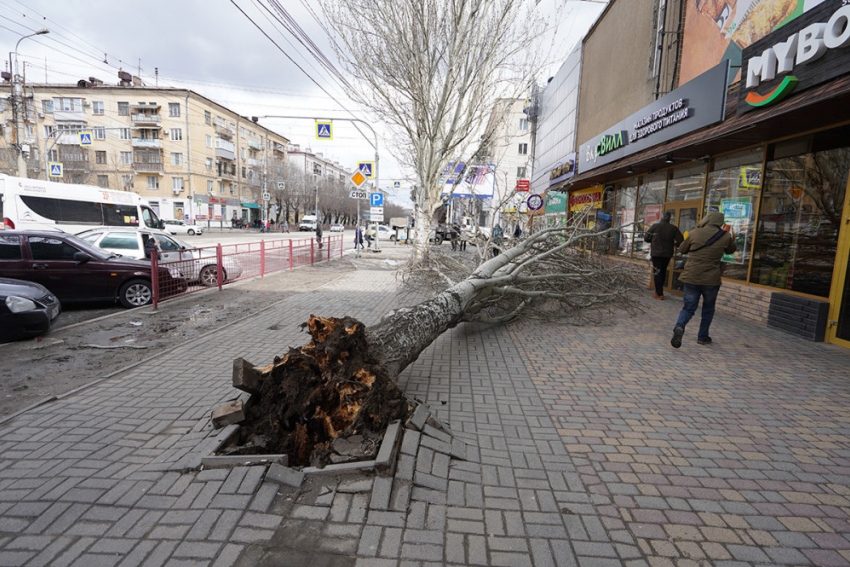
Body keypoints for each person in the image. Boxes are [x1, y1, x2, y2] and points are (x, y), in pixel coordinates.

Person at [670, 211, 736, 348]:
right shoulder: (725, 236)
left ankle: (680, 326)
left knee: (688, 308)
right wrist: (731, 238)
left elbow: (682, 249)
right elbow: (731, 251)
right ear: (720, 222)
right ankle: (702, 336)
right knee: (708, 309)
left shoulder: (695, 232)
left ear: (707, 220)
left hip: (692, 277)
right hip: (711, 280)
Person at [644, 211, 684, 300]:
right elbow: (681, 240)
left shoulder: (654, 226)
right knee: (663, 272)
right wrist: (674, 245)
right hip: (667, 254)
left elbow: (646, 238)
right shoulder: (673, 228)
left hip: (656, 253)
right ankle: (659, 292)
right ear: (669, 218)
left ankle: (659, 293)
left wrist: (654, 241)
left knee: (657, 272)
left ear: (661, 218)